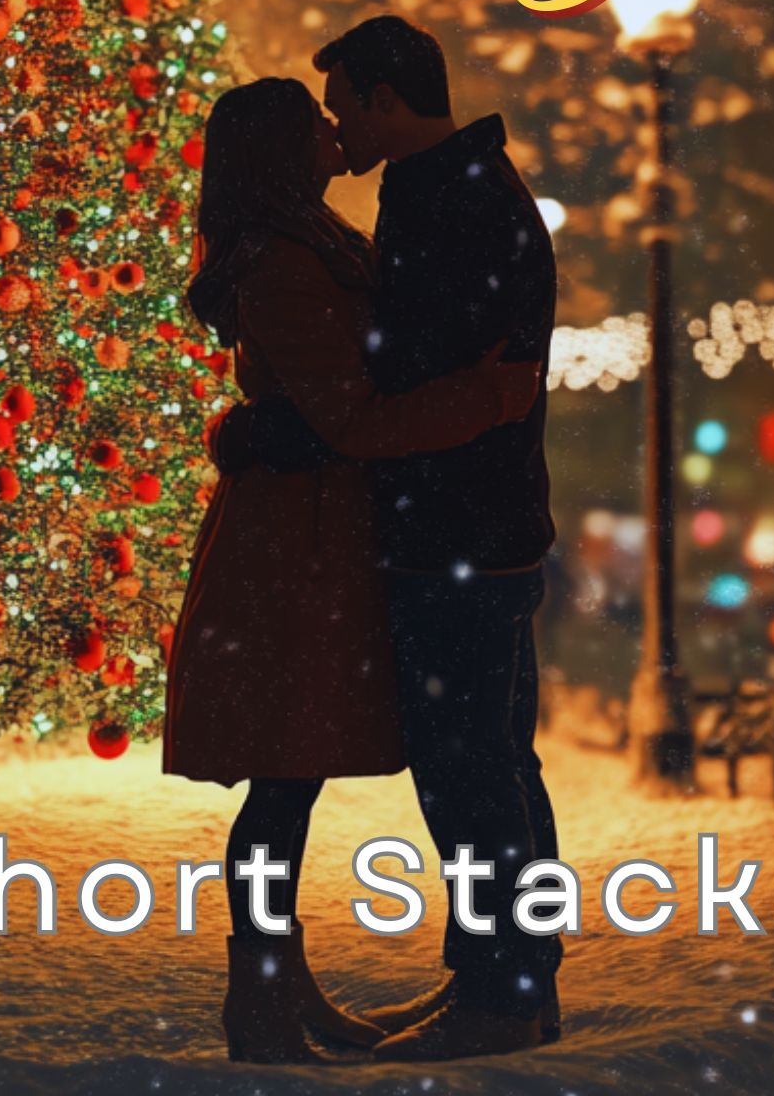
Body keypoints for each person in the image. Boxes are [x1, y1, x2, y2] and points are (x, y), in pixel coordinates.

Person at [163, 75, 540, 1065]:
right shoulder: (283, 263)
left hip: (319, 530)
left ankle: (280, 986)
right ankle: (258, 1001)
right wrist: (486, 396)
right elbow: (354, 419)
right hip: (293, 541)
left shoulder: (309, 243)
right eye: (313, 121)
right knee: (283, 778)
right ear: (283, 151)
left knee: (298, 772)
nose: (336, 130)